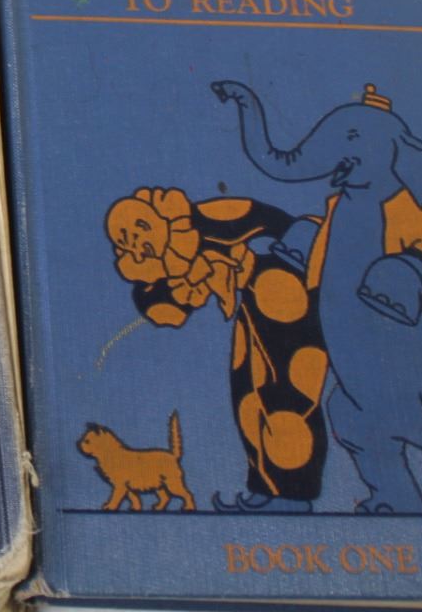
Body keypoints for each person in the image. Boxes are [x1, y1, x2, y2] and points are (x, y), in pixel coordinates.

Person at [104, 186, 330, 511]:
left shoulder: (198, 220)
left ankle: (294, 494)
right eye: (125, 238)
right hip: (252, 303)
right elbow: (162, 306)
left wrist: (299, 252)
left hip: (284, 289)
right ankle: (267, 487)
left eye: (140, 226)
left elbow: (267, 218)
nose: (137, 239)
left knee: (288, 396)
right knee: (247, 396)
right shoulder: (156, 264)